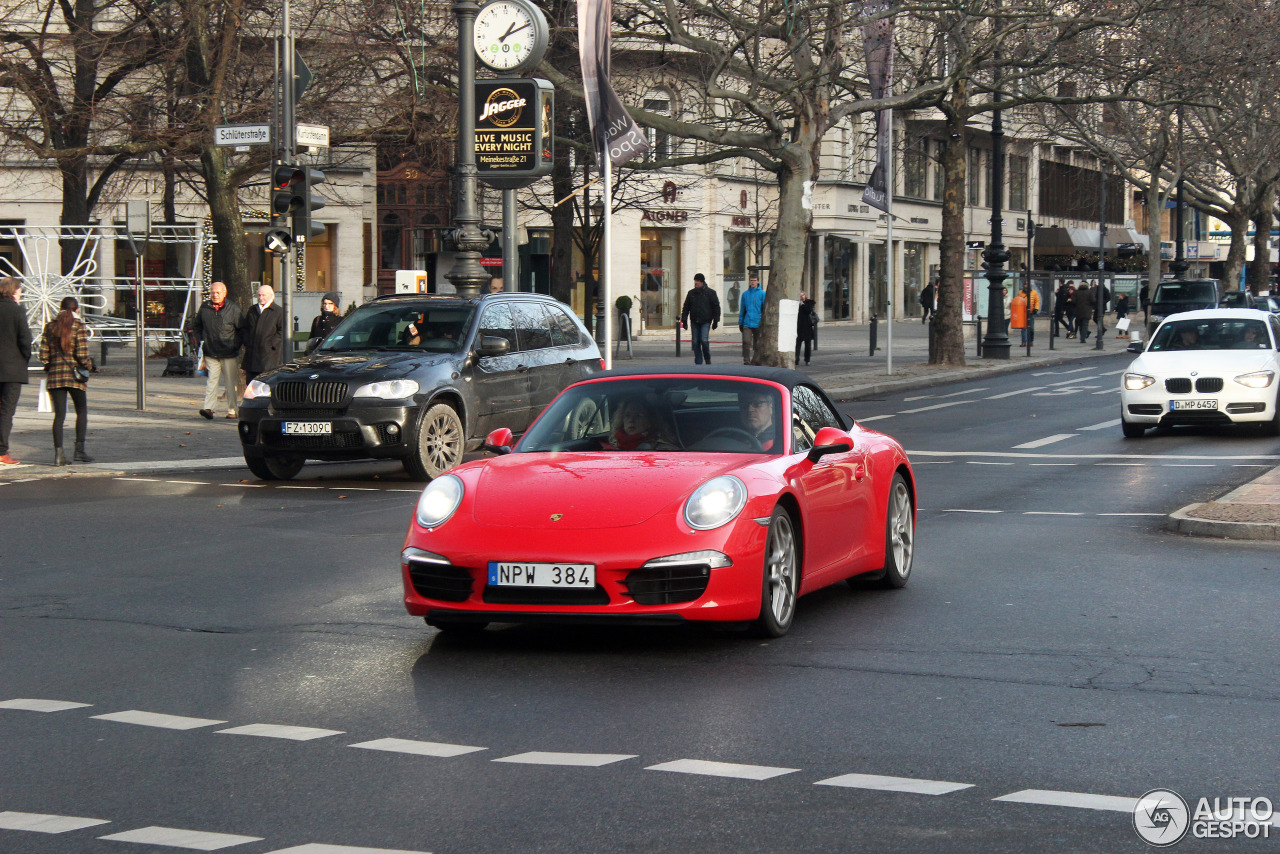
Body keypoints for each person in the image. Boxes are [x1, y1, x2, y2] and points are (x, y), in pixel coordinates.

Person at [38, 296, 95, 466]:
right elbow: (82, 354)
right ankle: (80, 450)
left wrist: (50, 364)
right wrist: (89, 366)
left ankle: (59, 454)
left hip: (55, 376)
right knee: (81, 411)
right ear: (77, 310)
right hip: (74, 376)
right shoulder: (79, 326)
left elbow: (43, 355)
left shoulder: (50, 327)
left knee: (59, 416)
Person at [189, 280, 243, 420]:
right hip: (211, 351)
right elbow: (197, 326)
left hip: (229, 352)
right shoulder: (205, 308)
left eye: (218, 292)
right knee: (211, 381)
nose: (215, 295)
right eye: (212, 292)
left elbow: (241, 330)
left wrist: (235, 345)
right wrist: (201, 342)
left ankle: (232, 410)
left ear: (225, 293)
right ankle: (209, 408)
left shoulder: (234, 309)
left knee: (230, 382)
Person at [0, 277, 32, 465]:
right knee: (6, 410)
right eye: (19, 290)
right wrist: (23, 359)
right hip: (12, 369)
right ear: (13, 291)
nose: (20, 293)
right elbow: (25, 340)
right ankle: (2, 450)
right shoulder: (17, 310)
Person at [240, 284, 286, 384]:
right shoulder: (252, 310)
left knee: (266, 385)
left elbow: (283, 331)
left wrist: (271, 344)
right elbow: (245, 328)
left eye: (263, 295)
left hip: (269, 357)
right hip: (252, 356)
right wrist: (247, 341)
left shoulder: (278, 311)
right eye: (259, 295)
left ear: (271, 296)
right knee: (251, 384)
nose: (261, 298)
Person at [606, 396, 676, 450]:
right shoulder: (612, 448)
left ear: (650, 421)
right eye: (627, 415)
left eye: (638, 416)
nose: (631, 420)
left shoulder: (664, 450)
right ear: (622, 419)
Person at [680, 272, 720, 365]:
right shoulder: (691, 293)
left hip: (706, 320)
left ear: (702, 282)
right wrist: (684, 320)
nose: (696, 283)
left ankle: (707, 358)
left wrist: (716, 320)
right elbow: (686, 307)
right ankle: (698, 361)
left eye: (697, 281)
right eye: (695, 281)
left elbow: (716, 307)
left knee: (704, 340)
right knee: (695, 342)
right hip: (694, 320)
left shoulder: (710, 293)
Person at [738, 274, 765, 365]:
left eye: (754, 280)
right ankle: (746, 360)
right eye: (751, 280)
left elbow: (764, 308)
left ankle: (757, 359)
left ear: (757, 281)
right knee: (746, 342)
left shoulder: (762, 294)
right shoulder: (745, 294)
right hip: (747, 322)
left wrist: (763, 321)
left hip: (758, 322)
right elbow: (742, 309)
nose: (752, 282)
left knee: (757, 344)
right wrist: (740, 322)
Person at [795, 296, 818, 365]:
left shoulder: (809, 303)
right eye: (800, 296)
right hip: (799, 327)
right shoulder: (796, 303)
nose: (801, 297)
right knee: (797, 344)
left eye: (802, 296)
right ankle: (796, 359)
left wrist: (802, 304)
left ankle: (807, 360)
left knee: (808, 345)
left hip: (807, 327)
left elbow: (808, 311)